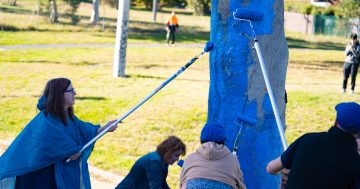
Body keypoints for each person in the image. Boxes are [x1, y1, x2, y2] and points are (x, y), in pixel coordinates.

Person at [0, 78, 118, 189]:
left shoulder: (68, 117)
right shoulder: (45, 120)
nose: (75, 93)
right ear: (60, 94)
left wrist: (105, 128)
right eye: (71, 90)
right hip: (38, 175)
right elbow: (52, 141)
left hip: (53, 173)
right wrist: (71, 150)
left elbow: (83, 130)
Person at [266, 102, 360, 189]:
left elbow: (270, 168)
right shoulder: (355, 163)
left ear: (335, 121)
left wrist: (285, 172)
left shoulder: (308, 139)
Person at [180, 122, 246, 189]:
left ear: (201, 140)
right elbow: (240, 186)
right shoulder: (233, 160)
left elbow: (182, 183)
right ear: (224, 141)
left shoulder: (190, 159)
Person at [115, 135, 186, 189]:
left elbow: (162, 184)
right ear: (168, 152)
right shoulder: (154, 162)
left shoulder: (163, 161)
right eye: (176, 155)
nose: (177, 159)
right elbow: (155, 187)